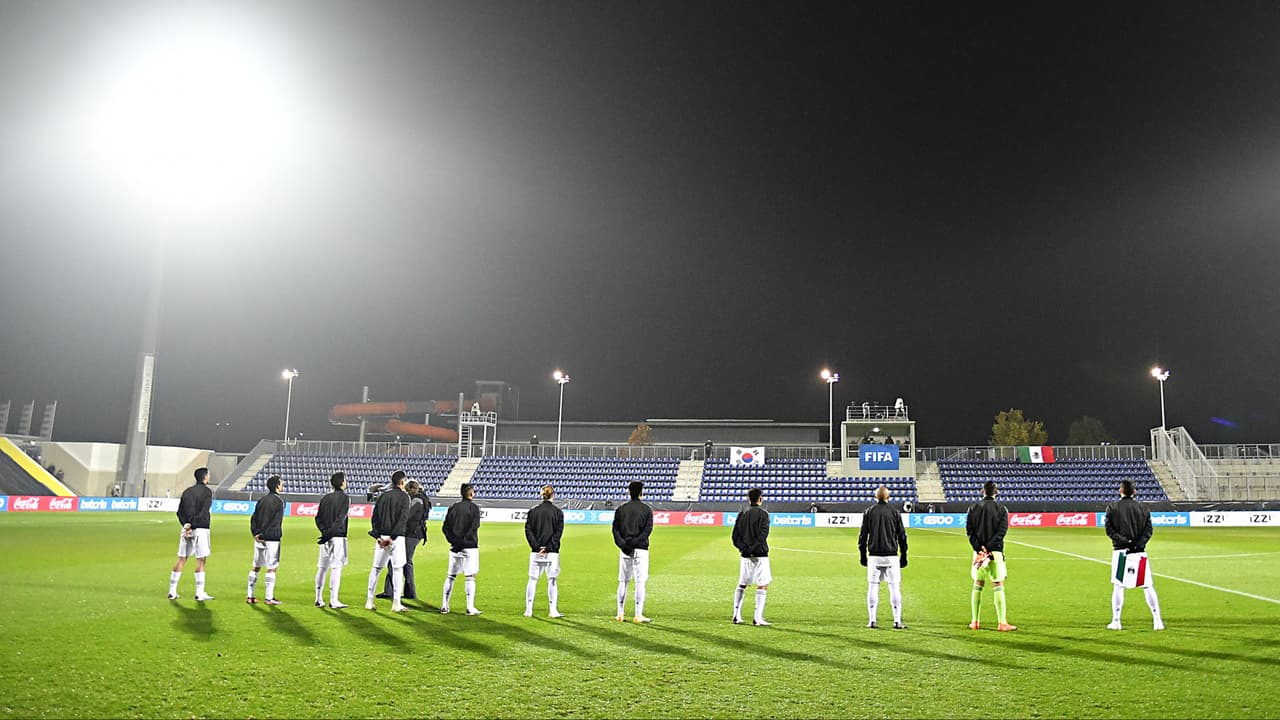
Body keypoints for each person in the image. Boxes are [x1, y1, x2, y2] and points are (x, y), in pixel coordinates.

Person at [1105, 479, 1165, 631]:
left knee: (1118, 586)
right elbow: (1148, 530)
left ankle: (1116, 621)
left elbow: (1110, 530)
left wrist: (1125, 542)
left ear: (1121, 491)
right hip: (1139, 552)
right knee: (1147, 585)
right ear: (1134, 492)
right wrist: (1137, 544)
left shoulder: (1112, 507)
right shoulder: (1143, 508)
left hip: (1121, 552)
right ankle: (1157, 621)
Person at [966, 480, 1015, 631]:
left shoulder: (973, 508)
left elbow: (970, 531)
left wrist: (979, 549)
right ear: (996, 492)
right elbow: (1001, 532)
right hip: (995, 553)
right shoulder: (1002, 509)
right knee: (998, 584)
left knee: (977, 584)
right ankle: (1002, 622)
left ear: (983, 491)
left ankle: (975, 621)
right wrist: (989, 549)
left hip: (978, 554)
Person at [859, 485, 908, 629]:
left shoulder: (869, 511)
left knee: (873, 586)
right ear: (888, 497)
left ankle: (872, 620)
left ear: (875, 497)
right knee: (894, 587)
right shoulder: (895, 512)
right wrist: (904, 555)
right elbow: (902, 536)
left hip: (874, 556)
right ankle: (897, 621)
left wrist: (863, 555)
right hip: (891, 556)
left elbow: (863, 536)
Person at [364, 471, 411, 612]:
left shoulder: (383, 496)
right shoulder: (405, 497)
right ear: (402, 482)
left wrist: (378, 536)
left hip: (382, 538)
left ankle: (369, 601)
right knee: (397, 569)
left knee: (376, 568)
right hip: (396, 539)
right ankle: (396, 603)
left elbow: (375, 518)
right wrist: (392, 538)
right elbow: (402, 519)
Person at [169, 467, 215, 601]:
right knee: (201, 560)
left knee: (182, 558)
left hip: (187, 529)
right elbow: (204, 511)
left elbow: (179, 512)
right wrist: (194, 524)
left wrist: (186, 524)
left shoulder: (187, 491)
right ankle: (200, 593)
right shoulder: (207, 492)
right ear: (205, 477)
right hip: (200, 528)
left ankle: (172, 591)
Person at [612, 480, 654, 623]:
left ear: (629, 492)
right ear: (642, 493)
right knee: (640, 582)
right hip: (640, 549)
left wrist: (624, 545)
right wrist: (635, 543)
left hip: (625, 550)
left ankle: (620, 613)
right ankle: (637, 614)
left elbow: (615, 530)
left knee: (623, 581)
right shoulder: (647, 510)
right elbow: (647, 531)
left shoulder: (621, 509)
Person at [380, 480, 429, 601]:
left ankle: (390, 591)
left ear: (411, 489)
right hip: (416, 534)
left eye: (407, 490)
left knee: (395, 561)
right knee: (406, 562)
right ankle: (409, 592)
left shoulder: (416, 501)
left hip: (411, 534)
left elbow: (406, 516)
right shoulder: (421, 499)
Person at [731, 488, 771, 626]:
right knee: (763, 583)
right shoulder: (764, 514)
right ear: (760, 499)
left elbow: (735, 536)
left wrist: (744, 548)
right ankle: (757, 618)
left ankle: (736, 615)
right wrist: (753, 549)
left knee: (742, 583)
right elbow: (763, 535)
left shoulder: (742, 513)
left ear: (749, 499)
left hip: (745, 555)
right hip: (760, 555)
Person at [524, 485, 565, 618]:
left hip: (536, 552)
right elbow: (558, 533)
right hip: (552, 552)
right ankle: (552, 610)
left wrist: (537, 546)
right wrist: (548, 547)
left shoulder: (533, 512)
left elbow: (528, 531)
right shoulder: (558, 512)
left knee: (532, 579)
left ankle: (528, 610)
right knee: (552, 580)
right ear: (553, 495)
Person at [441, 483, 483, 615]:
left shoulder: (453, 507)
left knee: (450, 576)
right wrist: (463, 541)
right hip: (469, 547)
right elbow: (474, 527)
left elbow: (445, 527)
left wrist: (454, 541)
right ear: (470, 493)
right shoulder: (474, 508)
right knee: (470, 577)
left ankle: (444, 606)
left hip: (455, 547)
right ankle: (470, 608)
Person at [247, 475, 285, 605]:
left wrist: (256, 533)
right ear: (277, 486)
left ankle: (250, 596)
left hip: (259, 539)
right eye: (281, 483)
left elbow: (254, 518)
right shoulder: (279, 501)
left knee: (256, 566)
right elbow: (276, 522)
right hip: (272, 538)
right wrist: (268, 534)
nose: (282, 485)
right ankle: (269, 598)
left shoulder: (261, 500)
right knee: (272, 567)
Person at [315, 472, 350, 609]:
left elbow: (318, 518)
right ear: (342, 483)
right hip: (337, 537)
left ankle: (318, 598)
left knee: (322, 568)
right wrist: (330, 533)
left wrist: (324, 532)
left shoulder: (325, 498)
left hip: (325, 538)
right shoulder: (345, 498)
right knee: (336, 567)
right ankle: (333, 600)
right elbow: (340, 518)